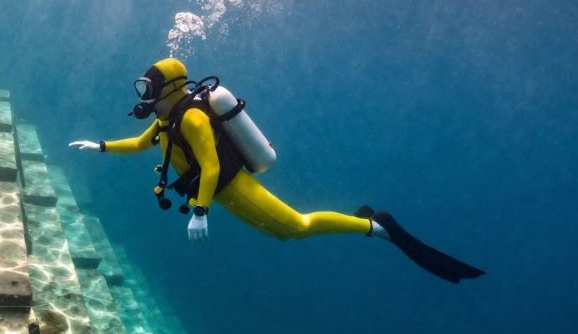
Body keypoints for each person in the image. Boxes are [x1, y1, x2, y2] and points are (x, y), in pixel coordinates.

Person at [69, 58, 484, 283]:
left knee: (295, 228)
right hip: (221, 193)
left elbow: (211, 166)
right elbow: (141, 144)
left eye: (148, 87)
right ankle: (372, 226)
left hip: (231, 189)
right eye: (142, 86)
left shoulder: (191, 120)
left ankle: (377, 227)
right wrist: (101, 145)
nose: (143, 94)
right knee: (287, 231)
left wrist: (200, 212)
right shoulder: (166, 119)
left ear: (168, 89)